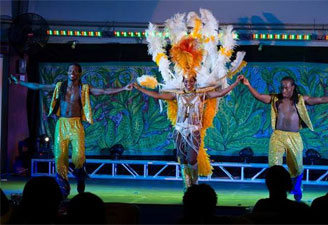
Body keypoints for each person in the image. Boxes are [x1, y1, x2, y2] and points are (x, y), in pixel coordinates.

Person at [11, 63, 130, 198]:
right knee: (60, 158)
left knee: (79, 156)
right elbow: (38, 86)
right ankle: (63, 188)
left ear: (79, 74)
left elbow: (104, 91)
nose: (71, 73)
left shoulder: (83, 88)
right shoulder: (60, 87)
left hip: (76, 124)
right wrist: (20, 82)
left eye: (74, 71)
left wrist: (124, 88)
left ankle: (80, 175)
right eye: (69, 70)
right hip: (61, 124)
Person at [242, 76, 328, 201]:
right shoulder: (275, 99)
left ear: (293, 87)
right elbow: (260, 96)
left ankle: (297, 188)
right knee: (274, 166)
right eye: (282, 88)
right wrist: (248, 85)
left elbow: (320, 99)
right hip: (277, 136)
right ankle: (276, 194)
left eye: (287, 88)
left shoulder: (300, 99)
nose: (284, 91)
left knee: (297, 167)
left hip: (294, 137)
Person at [129, 74, 243, 190]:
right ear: (183, 82)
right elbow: (157, 95)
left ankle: (194, 185)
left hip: (194, 130)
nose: (189, 84)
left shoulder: (202, 94)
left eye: (191, 81)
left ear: (195, 82)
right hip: (179, 130)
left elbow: (220, 93)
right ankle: (187, 186)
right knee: (182, 159)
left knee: (191, 159)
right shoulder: (177, 95)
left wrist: (236, 83)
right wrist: (139, 88)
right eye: (186, 82)